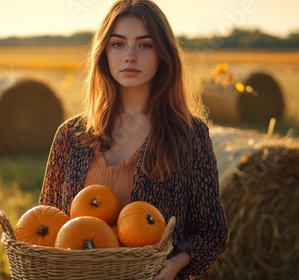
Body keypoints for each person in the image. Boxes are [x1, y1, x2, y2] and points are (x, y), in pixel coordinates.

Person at [39, 0, 228, 279]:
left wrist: (175, 265)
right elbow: (46, 225)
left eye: (144, 45)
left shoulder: (189, 135)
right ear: (104, 53)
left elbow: (211, 232)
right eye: (118, 44)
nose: (130, 56)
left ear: (163, 54)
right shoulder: (70, 136)